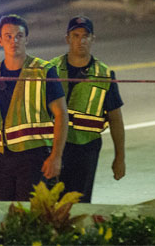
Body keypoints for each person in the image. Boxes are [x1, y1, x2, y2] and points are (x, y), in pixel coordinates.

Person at [0, 14, 69, 201]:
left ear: (26, 39)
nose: (14, 41)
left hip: (34, 159)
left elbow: (61, 114)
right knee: (3, 218)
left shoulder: (44, 71)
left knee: (32, 218)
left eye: (19, 36)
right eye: (8, 36)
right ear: (0, 40)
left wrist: (56, 156)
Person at [50, 16, 126, 203]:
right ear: (67, 38)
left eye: (86, 36)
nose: (81, 41)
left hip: (86, 149)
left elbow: (116, 119)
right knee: (48, 203)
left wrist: (120, 158)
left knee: (79, 205)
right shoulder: (51, 70)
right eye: (76, 35)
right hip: (51, 146)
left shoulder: (104, 75)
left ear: (93, 39)